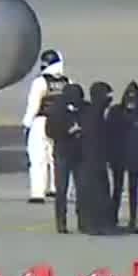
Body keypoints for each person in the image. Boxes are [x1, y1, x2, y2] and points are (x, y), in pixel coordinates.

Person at [22, 49, 66, 204]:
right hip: (61, 123)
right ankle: (56, 188)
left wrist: (26, 124)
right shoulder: (68, 82)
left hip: (41, 122)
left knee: (38, 158)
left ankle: (37, 193)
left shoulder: (40, 82)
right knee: (57, 158)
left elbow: (33, 106)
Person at [106, 81, 138, 233]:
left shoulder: (116, 112)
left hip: (129, 156)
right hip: (123, 155)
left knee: (129, 190)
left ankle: (128, 220)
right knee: (120, 190)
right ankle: (115, 218)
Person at [46, 83, 87, 234]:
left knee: (82, 190)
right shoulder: (57, 111)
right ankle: (61, 222)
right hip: (63, 153)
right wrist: (67, 131)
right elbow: (49, 131)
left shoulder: (84, 109)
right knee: (61, 190)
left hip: (79, 154)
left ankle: (82, 220)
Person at [77, 82, 116, 234]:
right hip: (92, 161)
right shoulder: (93, 115)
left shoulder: (95, 113)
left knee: (99, 191)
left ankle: (97, 223)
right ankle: (96, 224)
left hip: (96, 160)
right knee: (97, 192)